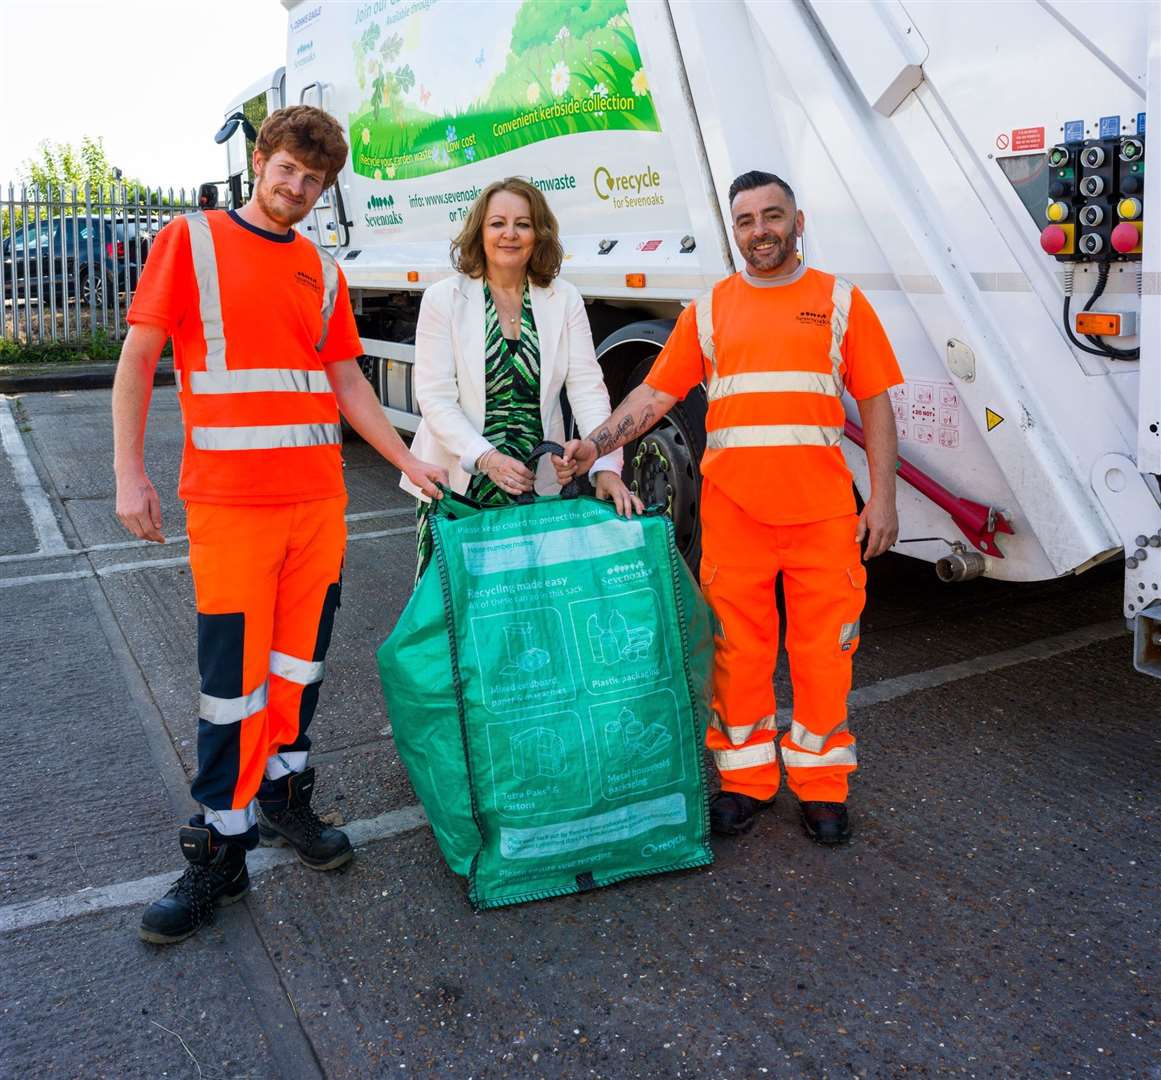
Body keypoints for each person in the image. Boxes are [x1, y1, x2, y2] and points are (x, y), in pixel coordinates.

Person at [113, 106, 447, 944]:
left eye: (314, 181)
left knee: (297, 669)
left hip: (317, 508)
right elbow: (138, 357)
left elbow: (346, 382)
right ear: (259, 160)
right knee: (230, 689)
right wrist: (127, 472)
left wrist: (406, 461)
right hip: (230, 510)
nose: (296, 189)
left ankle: (285, 797)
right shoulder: (189, 243)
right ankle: (219, 849)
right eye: (287, 170)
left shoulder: (322, 272)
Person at [558, 170, 903, 845]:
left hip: (822, 517)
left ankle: (821, 786)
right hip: (735, 515)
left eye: (772, 216)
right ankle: (745, 783)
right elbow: (653, 398)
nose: (759, 231)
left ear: (796, 223)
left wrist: (883, 500)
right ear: (733, 230)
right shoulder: (709, 310)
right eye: (745, 221)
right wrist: (594, 445)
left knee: (823, 657)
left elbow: (876, 403)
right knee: (738, 655)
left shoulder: (839, 302)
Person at [404, 176, 642, 578]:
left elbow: (587, 387)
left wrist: (606, 468)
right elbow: (434, 397)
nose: (509, 234)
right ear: (480, 231)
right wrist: (486, 457)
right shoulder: (443, 298)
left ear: (539, 234)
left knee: (529, 610)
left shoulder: (563, 298)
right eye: (497, 223)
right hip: (460, 485)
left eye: (523, 224)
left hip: (534, 484)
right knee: (459, 616)